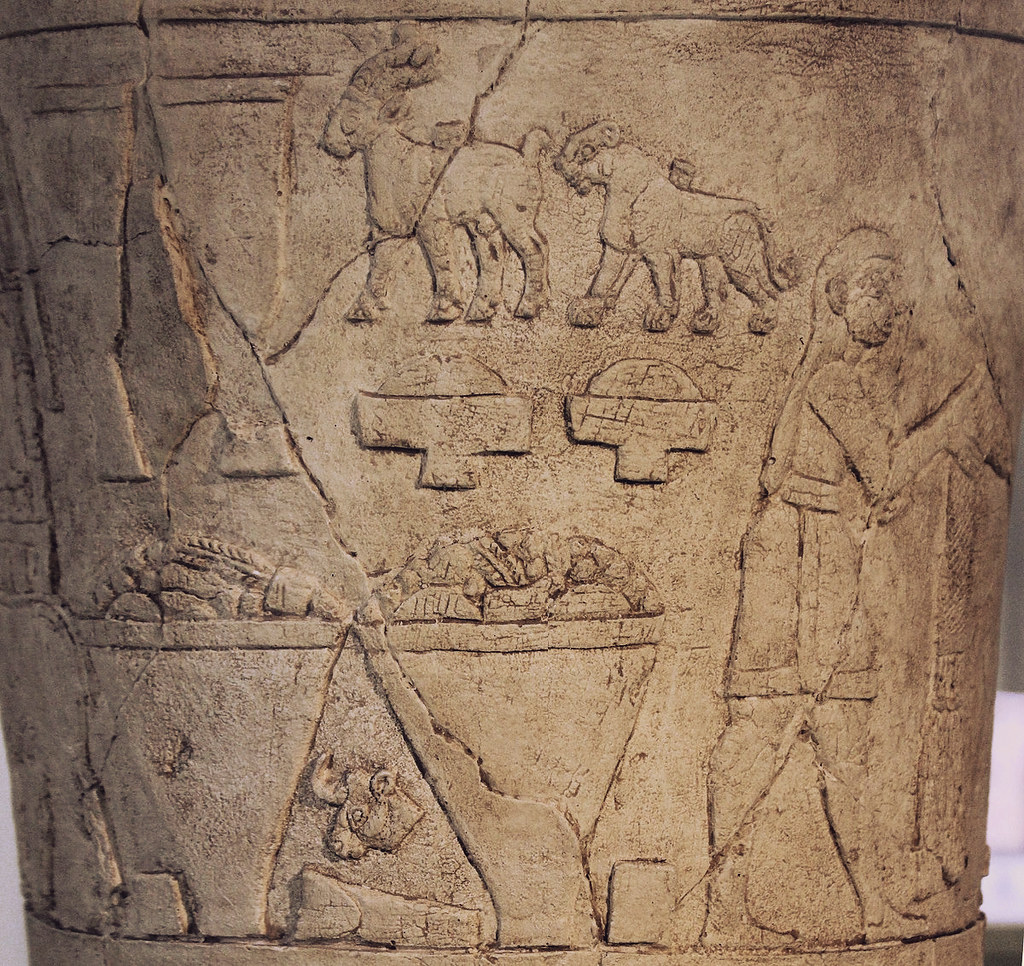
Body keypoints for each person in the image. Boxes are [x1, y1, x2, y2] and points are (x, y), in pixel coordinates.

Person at [707, 228, 1009, 945]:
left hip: (828, 556)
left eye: (894, 295)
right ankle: (724, 901)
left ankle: (870, 906)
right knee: (761, 729)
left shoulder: (853, 381)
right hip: (795, 562)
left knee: (843, 741)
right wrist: (950, 423)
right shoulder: (832, 380)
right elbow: (887, 473)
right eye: (875, 293)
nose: (893, 308)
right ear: (840, 302)